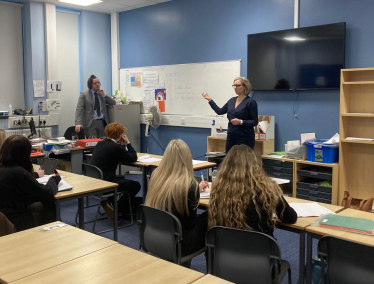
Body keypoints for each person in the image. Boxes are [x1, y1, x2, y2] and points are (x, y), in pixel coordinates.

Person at [208, 144, 297, 237]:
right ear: (256, 165)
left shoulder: (219, 189)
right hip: (261, 249)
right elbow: (290, 218)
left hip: (226, 249)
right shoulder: (267, 189)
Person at [145, 139, 209, 257]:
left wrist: (196, 191)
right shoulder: (189, 185)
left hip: (154, 234)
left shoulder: (156, 176)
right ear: (187, 159)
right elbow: (191, 224)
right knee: (210, 215)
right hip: (179, 243)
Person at [0, 135, 61, 231]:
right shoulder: (18, 172)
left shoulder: (4, 168)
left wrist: (34, 175)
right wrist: (54, 179)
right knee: (48, 203)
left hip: (4, 219)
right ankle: (49, 235)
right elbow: (47, 192)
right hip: (14, 222)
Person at [90, 122, 141, 219]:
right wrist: (128, 143)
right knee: (135, 185)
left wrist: (120, 145)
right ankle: (117, 209)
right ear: (120, 135)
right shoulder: (115, 147)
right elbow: (133, 157)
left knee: (120, 178)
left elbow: (118, 154)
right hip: (105, 182)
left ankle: (110, 203)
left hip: (95, 181)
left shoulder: (100, 143)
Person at [202, 77, 258, 153]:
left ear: (245, 86)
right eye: (234, 86)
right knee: (230, 159)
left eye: (238, 86)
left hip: (245, 137)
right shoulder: (232, 100)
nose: (235, 88)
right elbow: (220, 111)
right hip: (231, 135)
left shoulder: (250, 102)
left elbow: (254, 122)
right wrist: (210, 100)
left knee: (243, 161)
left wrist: (241, 122)